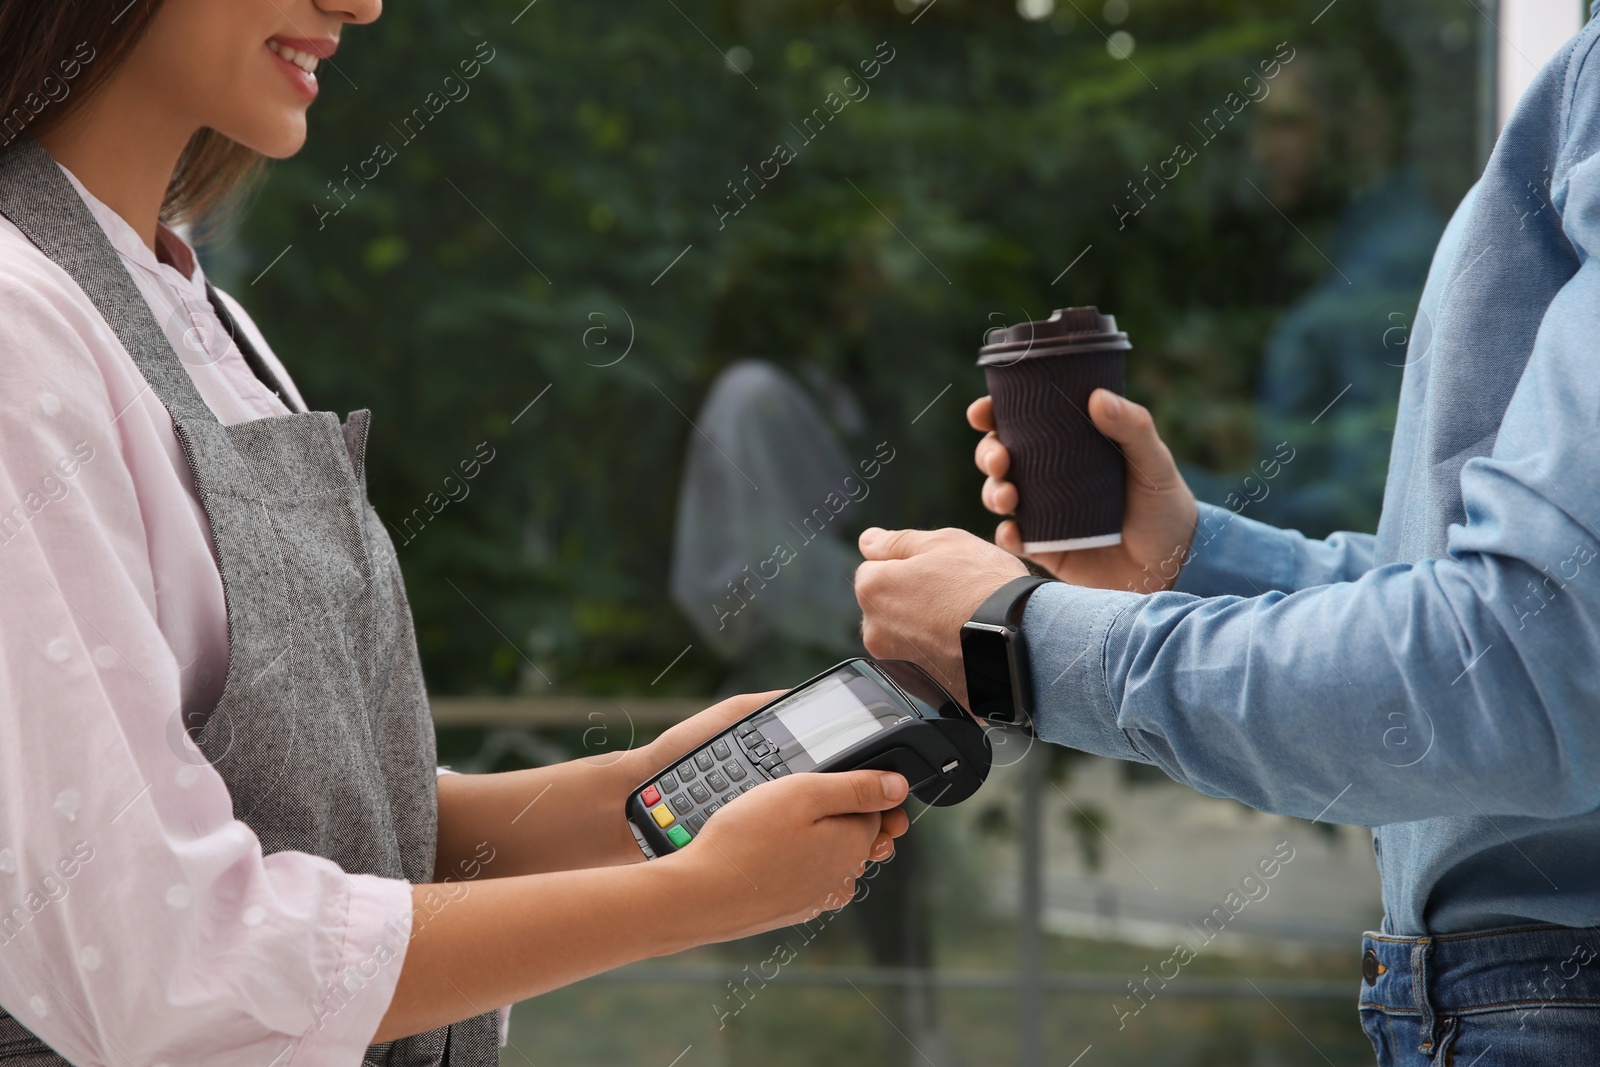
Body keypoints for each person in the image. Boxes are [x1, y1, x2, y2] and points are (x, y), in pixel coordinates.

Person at [0, 2, 910, 1064]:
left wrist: (635, 791)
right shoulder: (20, 331)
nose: (360, 2)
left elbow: (321, 809)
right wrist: (692, 896)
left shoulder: (195, 312)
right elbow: (172, 961)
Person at [856, 9, 1600, 1065]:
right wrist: (1193, 558)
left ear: (1367, 124)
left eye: (1289, 122)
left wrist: (1017, 636)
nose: (1264, 150)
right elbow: (1493, 604)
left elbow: (1527, 661)